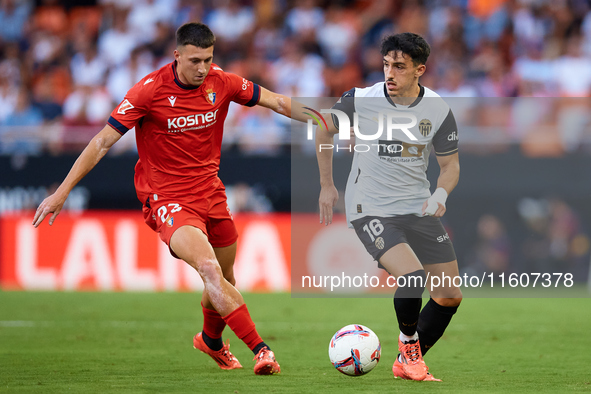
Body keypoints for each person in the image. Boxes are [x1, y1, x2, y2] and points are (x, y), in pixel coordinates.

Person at [32, 22, 296, 375]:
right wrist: (62, 191)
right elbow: (101, 142)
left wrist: (326, 117)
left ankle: (211, 341)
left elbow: (277, 101)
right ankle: (261, 350)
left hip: (211, 193)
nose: (202, 69)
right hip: (168, 199)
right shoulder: (148, 91)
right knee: (208, 267)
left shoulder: (223, 82)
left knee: (225, 277)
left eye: (207, 60)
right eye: (194, 61)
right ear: (177, 56)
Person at [315, 33, 462, 382]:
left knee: (449, 295)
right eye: (386, 65)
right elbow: (323, 129)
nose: (390, 73)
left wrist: (441, 195)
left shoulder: (438, 109)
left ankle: (404, 360)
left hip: (418, 206)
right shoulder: (361, 99)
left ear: (420, 70)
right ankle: (410, 352)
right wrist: (327, 185)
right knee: (412, 278)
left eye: (399, 66)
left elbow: (450, 166)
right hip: (371, 208)